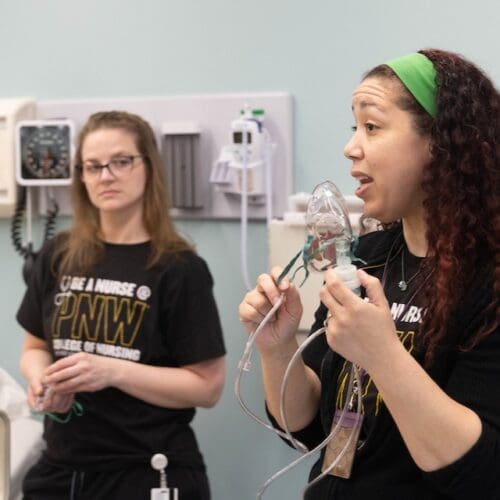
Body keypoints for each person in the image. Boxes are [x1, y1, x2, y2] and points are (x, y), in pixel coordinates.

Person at [239, 48, 499, 499]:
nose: (350, 147)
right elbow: (308, 428)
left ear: (440, 142)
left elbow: (478, 473)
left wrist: (383, 353)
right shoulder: (369, 256)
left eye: (372, 127)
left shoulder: (489, 283)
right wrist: (277, 350)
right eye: (353, 127)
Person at [17, 110, 226, 500]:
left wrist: (112, 372)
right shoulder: (58, 255)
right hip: (61, 470)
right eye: (93, 166)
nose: (106, 175)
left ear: (148, 166)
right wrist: (42, 381)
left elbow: (207, 386)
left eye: (121, 162)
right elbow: (33, 349)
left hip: (145, 470)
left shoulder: (179, 268)